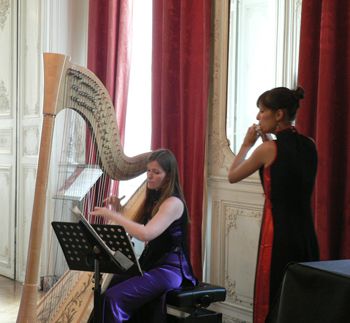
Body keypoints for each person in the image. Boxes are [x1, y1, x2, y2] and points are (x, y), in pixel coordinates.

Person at [227, 86, 319, 323]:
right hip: (306, 231)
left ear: (278, 115)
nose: (258, 117)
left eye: (262, 110)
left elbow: (232, 175)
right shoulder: (310, 144)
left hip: (278, 231)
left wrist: (247, 144)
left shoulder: (267, 149)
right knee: (301, 295)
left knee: (275, 291)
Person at [91, 148, 197, 322]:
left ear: (168, 176)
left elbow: (146, 234)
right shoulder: (154, 198)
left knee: (113, 298)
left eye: (156, 172)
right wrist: (118, 208)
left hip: (169, 270)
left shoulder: (173, 203)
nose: (149, 175)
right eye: (148, 170)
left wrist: (113, 216)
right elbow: (135, 225)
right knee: (107, 287)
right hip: (150, 264)